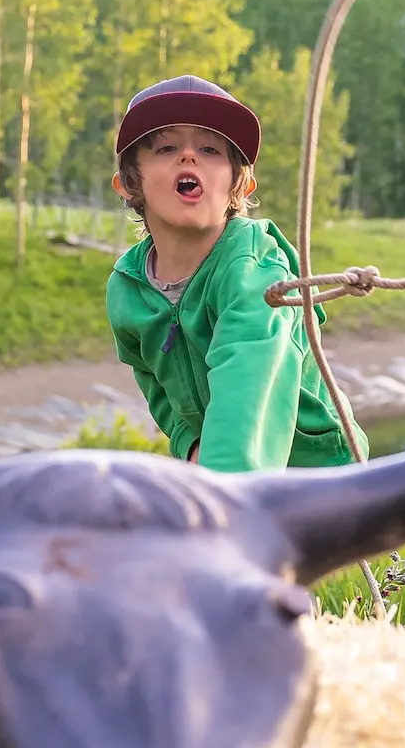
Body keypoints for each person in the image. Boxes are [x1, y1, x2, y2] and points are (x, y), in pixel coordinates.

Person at [104, 75, 366, 471]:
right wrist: (189, 440)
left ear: (239, 187)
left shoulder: (255, 268)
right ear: (128, 184)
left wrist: (222, 488)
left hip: (319, 475)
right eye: (166, 147)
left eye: (210, 149)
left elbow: (249, 378)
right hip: (223, 468)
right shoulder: (127, 286)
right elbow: (153, 380)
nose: (188, 156)